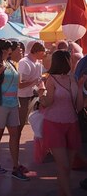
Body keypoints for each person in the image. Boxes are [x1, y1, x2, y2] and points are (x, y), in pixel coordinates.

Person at [39, 50, 86, 196]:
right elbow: (49, 102)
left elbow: (78, 107)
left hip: (71, 124)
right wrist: (41, 94)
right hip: (54, 124)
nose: (73, 63)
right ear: (65, 61)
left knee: (67, 166)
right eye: (70, 60)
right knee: (63, 164)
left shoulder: (72, 79)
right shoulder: (51, 79)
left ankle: (62, 192)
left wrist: (79, 87)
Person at [0, 39, 29, 181]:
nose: (13, 50)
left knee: (15, 134)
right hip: (0, 103)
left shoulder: (11, 63)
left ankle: (16, 166)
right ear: (5, 50)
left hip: (12, 103)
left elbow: (17, 84)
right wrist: (0, 71)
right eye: (11, 48)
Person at [17, 41, 44, 141]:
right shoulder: (25, 63)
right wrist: (34, 82)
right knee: (21, 120)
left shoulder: (37, 62)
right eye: (42, 51)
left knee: (25, 120)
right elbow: (20, 85)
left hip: (32, 95)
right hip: (23, 96)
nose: (44, 53)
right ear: (35, 51)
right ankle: (16, 139)